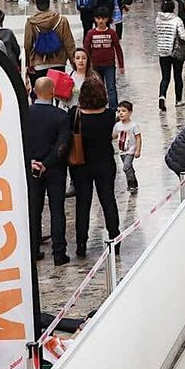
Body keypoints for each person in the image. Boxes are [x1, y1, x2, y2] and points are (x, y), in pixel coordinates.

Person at [68, 79, 120, 258]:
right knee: (108, 200)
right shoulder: (109, 115)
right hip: (105, 162)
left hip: (81, 164)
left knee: (83, 204)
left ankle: (81, 243)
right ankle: (115, 236)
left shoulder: (75, 114)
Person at [28, 77, 71, 264]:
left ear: (35, 92)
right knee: (57, 209)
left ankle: (34, 249)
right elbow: (62, 145)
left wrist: (32, 162)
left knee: (34, 210)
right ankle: (59, 252)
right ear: (52, 91)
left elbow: (19, 141)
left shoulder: (25, 114)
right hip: (55, 169)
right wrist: (48, 163)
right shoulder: (60, 116)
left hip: (32, 168)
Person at [24, 0, 75, 80]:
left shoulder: (31, 22)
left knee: (42, 92)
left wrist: (28, 63)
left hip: (39, 63)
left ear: (36, 3)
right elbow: (69, 43)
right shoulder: (61, 20)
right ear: (49, 1)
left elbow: (27, 44)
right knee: (58, 92)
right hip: (59, 61)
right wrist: (73, 61)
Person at [83, 7, 124, 110]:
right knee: (96, 88)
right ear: (95, 19)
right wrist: (85, 66)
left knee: (111, 88)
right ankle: (98, 107)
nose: (100, 21)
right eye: (98, 18)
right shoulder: (91, 33)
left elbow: (118, 49)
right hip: (95, 66)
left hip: (109, 65)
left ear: (107, 19)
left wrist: (121, 65)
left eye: (103, 18)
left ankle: (113, 109)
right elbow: (86, 50)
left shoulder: (112, 33)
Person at [154, 0, 185, 110]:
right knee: (177, 76)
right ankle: (178, 100)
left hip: (162, 51)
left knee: (165, 77)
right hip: (175, 52)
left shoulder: (157, 20)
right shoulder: (177, 20)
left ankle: (162, 97)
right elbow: (183, 36)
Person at [112, 100, 141, 194]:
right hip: (122, 151)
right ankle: (134, 182)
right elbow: (114, 136)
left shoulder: (133, 125)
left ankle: (131, 184)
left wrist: (138, 150)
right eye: (119, 111)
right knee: (128, 168)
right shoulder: (117, 125)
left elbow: (138, 138)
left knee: (126, 167)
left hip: (131, 150)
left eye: (123, 111)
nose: (121, 113)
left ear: (130, 112)